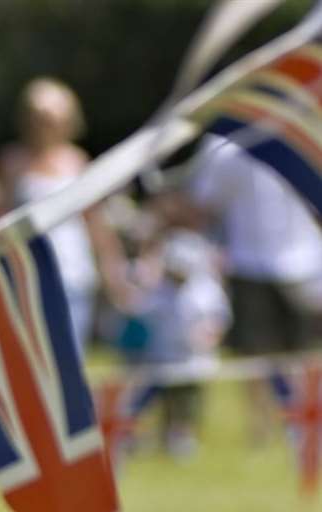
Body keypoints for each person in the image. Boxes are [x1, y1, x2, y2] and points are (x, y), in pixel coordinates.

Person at [186, 134, 322, 440]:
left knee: (301, 352)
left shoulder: (301, 137)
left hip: (305, 263)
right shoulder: (225, 147)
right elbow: (206, 203)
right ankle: (260, 427)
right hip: (248, 262)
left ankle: (301, 426)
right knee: (255, 354)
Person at [0, 78, 126, 345]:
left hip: (72, 273)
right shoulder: (10, 161)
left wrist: (113, 271)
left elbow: (94, 222)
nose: (42, 125)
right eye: (37, 117)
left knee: (69, 350)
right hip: (27, 274)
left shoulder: (77, 161)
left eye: (50, 118)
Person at [127, 229, 229, 457]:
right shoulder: (158, 288)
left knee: (187, 400)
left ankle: (182, 437)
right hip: (160, 358)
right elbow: (141, 312)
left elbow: (219, 322)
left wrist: (207, 336)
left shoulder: (206, 291)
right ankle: (136, 436)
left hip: (194, 360)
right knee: (150, 399)